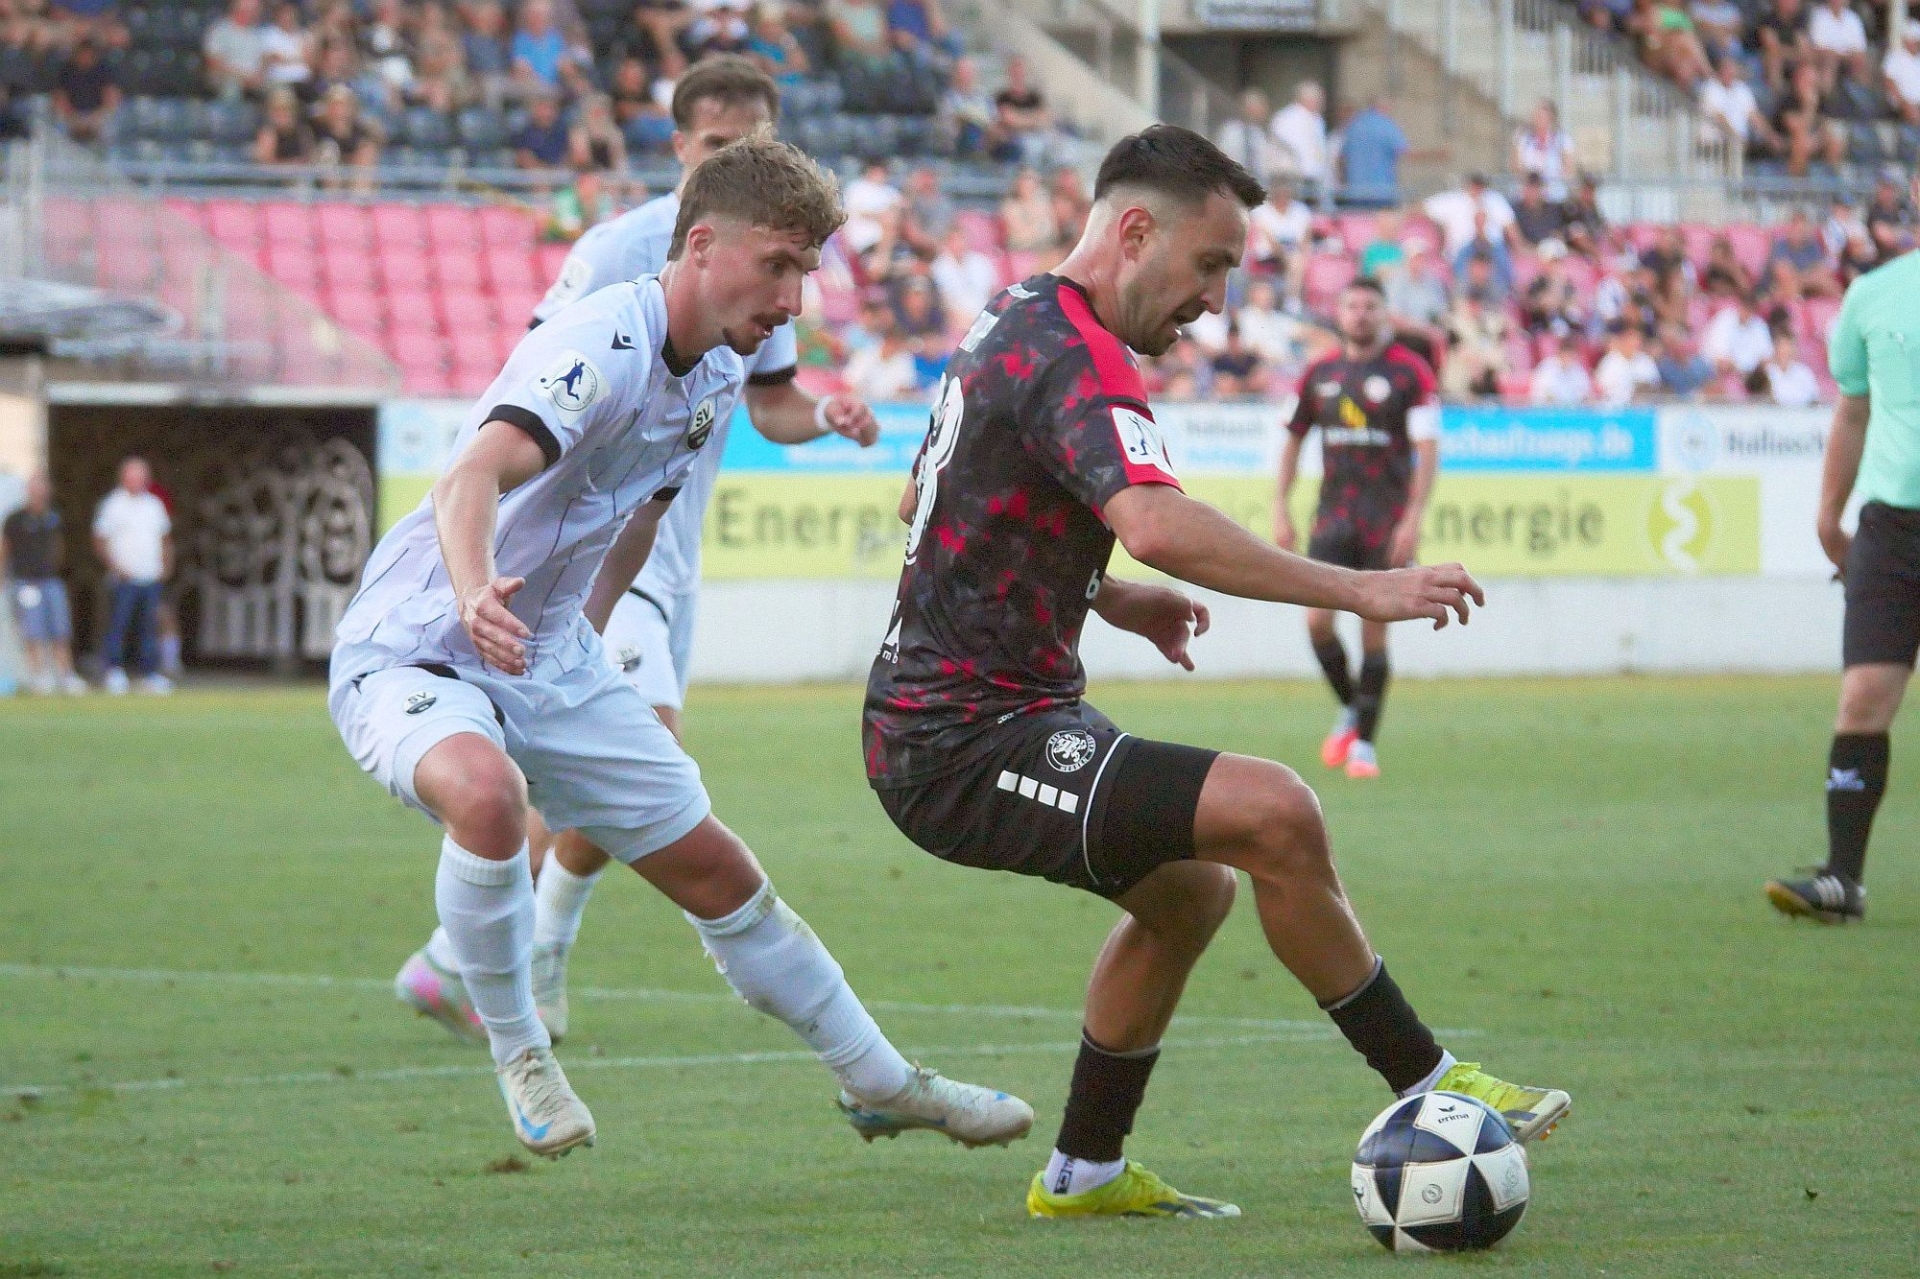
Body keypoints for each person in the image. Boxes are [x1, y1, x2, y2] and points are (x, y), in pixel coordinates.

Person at [866, 126, 1568, 1221]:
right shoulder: (1076, 348)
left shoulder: (1012, 315)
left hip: (987, 715)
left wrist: (1103, 594)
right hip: (953, 738)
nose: (1217, 299)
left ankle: (1085, 1173)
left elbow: (932, 497)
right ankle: (1435, 1085)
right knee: (1274, 811)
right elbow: (1154, 521)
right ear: (1135, 230)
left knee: (1191, 890)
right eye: (1210, 263)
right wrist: (1363, 588)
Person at [340, 134, 1030, 1160]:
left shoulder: (716, 371)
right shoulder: (600, 343)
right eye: (779, 264)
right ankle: (522, 1052)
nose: (795, 299)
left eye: (807, 270)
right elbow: (470, 475)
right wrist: (479, 590)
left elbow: (640, 518)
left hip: (550, 653)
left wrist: (583, 641)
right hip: (418, 643)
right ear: (702, 244)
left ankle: (882, 1080)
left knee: (721, 872)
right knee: (488, 799)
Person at [420, 57, 884, 1046]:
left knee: (604, 767)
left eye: (754, 141)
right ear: (679, 146)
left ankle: (453, 952)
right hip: (595, 541)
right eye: (718, 143)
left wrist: (825, 415)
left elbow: (771, 403)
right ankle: (538, 952)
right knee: (646, 750)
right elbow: (540, 376)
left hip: (666, 551)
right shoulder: (621, 249)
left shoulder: (767, 264)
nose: (735, 157)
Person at [1767, 178, 1920, 924]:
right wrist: (1829, 514)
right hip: (1892, 526)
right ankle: (1842, 881)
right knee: (1862, 696)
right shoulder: (1874, 295)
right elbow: (1853, 412)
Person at [1278, 276, 1444, 780]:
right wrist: (1280, 506)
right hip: (1333, 517)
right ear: (1339, 313)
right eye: (1351, 306)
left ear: (1384, 313)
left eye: (1370, 306)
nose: (1360, 314)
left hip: (1385, 520)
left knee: (1374, 629)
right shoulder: (1320, 372)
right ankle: (1354, 709)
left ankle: (1365, 746)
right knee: (1317, 623)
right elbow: (1293, 438)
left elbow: (1427, 450)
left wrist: (1413, 517)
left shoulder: (1410, 372)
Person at [92, 457, 172, 697]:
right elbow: (99, 539)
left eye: (140, 476)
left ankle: (150, 673)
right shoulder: (113, 504)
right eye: (132, 476)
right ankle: (114, 672)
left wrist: (166, 566)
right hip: (124, 579)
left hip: (150, 576)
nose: (136, 481)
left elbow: (165, 538)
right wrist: (116, 567)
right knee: (119, 625)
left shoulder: (154, 505)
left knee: (149, 628)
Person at [2, 471, 86, 696]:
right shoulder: (15, 519)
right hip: (26, 583)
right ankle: (39, 676)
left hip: (50, 580)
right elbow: (4, 549)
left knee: (60, 629)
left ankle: (66, 675)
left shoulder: (53, 517)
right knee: (33, 631)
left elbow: (59, 547)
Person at [1336, 96, 1409, 207]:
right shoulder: (1386, 125)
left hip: (1355, 192)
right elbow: (1404, 151)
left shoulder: (1354, 125)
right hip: (1382, 191)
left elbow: (1342, 158)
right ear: (1384, 107)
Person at [52, 37, 118, 145]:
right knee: (57, 127)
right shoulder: (66, 71)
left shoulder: (103, 70)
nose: (85, 57)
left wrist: (95, 118)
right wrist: (73, 118)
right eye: (82, 53)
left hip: (97, 116)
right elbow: (60, 98)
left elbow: (111, 99)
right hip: (72, 116)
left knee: (110, 127)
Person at [1215, 88, 1288, 184]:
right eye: (1259, 108)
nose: (1263, 112)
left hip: (1259, 183)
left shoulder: (1258, 134)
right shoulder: (1230, 131)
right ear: (1248, 109)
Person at [1271, 80, 1328, 194]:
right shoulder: (1286, 118)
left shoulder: (1317, 119)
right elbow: (1293, 146)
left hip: (1315, 177)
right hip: (1292, 176)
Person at [204, 0, 267, 99]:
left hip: (254, 79)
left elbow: (263, 60)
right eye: (253, 9)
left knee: (280, 92)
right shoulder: (219, 30)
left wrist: (259, 76)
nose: (257, 12)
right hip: (227, 78)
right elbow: (213, 63)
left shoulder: (258, 33)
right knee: (231, 89)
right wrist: (243, 76)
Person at [1594, 321, 1660, 405]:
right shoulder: (1609, 361)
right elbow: (1601, 389)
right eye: (1631, 339)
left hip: (1642, 407)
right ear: (1622, 340)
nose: (1635, 343)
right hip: (1614, 407)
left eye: (1638, 339)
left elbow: (1655, 385)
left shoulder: (1646, 361)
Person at [1763, 330, 1821, 406]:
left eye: (1788, 346)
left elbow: (1815, 399)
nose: (1785, 351)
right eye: (1782, 346)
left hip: (1803, 411)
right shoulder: (1767, 372)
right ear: (1776, 348)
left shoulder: (1804, 372)